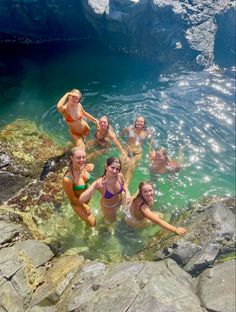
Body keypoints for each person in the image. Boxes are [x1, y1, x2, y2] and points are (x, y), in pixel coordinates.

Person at [79, 157, 132, 224]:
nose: (114, 171)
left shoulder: (119, 176)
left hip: (120, 201)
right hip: (109, 208)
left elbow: (123, 184)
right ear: (106, 167)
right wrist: (94, 187)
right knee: (110, 222)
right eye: (112, 167)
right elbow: (82, 199)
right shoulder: (100, 183)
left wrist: (127, 193)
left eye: (117, 169)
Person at [62, 147, 96, 227]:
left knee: (88, 223)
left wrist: (93, 165)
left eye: (84, 157)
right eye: (78, 158)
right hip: (77, 203)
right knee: (92, 224)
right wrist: (84, 206)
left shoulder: (84, 167)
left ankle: (80, 220)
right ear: (72, 158)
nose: (82, 160)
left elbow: (93, 155)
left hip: (86, 201)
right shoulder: (67, 179)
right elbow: (72, 199)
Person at [120, 116, 153, 185]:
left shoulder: (146, 132)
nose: (139, 123)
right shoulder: (129, 129)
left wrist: (150, 151)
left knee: (130, 169)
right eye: (138, 121)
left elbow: (151, 142)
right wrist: (121, 144)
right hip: (127, 150)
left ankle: (125, 186)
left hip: (138, 152)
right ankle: (118, 182)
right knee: (122, 166)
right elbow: (121, 134)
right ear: (135, 122)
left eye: (141, 121)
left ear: (144, 124)